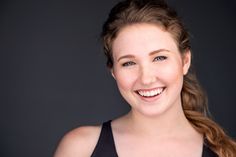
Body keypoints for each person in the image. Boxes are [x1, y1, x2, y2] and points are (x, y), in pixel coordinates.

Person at [54, 0, 236, 156]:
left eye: (159, 58)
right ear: (113, 72)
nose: (146, 79)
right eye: (128, 63)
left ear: (185, 61)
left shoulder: (225, 152)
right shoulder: (80, 148)